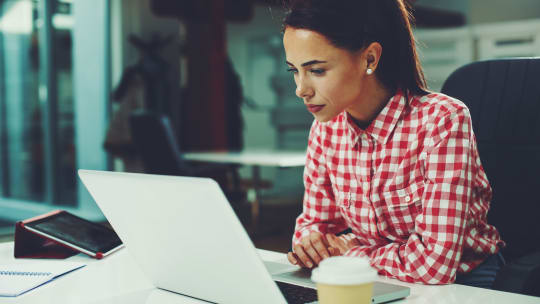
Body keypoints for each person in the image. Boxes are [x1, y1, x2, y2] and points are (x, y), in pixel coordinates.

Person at [282, 0, 505, 288]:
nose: (301, 89)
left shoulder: (443, 120)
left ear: (370, 59)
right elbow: (313, 228)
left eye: (317, 70)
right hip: (376, 278)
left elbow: (434, 267)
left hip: (461, 282)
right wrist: (310, 247)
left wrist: (349, 254)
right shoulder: (326, 129)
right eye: (294, 71)